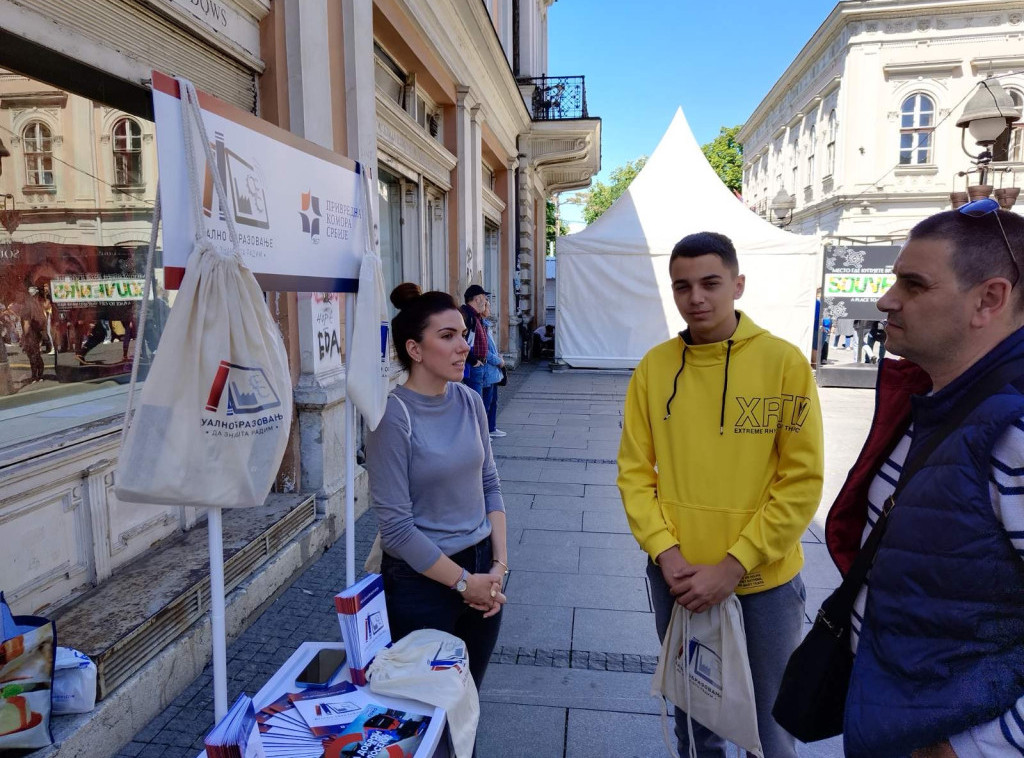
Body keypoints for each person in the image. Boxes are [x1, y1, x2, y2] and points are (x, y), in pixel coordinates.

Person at [826, 202, 1024, 758]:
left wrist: (980, 748)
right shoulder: (935, 396)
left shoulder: (1013, 427)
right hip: (897, 717)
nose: (887, 300)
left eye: (913, 285)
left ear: (989, 299)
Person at [617, 231, 824, 758]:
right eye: (682, 286)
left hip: (764, 581)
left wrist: (736, 563)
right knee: (695, 716)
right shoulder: (654, 368)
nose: (697, 298)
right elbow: (635, 474)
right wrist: (666, 553)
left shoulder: (783, 363)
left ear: (738, 284)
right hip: (679, 577)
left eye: (710, 283)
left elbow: (801, 481)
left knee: (771, 719)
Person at [365, 282, 508, 693]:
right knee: (427, 708)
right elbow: (396, 529)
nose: (463, 345)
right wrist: (464, 583)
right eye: (447, 336)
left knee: (467, 703)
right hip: (423, 582)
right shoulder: (392, 416)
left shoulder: (470, 401)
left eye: (462, 334)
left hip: (484, 568)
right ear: (415, 349)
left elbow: (490, 485)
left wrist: (497, 568)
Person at [479, 298, 506, 438]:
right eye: (488, 306)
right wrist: (498, 361)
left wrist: (498, 357)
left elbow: (491, 348)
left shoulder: (487, 326)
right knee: (486, 402)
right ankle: (484, 432)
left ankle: (491, 427)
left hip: (493, 370)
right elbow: (485, 351)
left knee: (494, 401)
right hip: (487, 369)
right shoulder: (481, 326)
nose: (489, 309)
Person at [459, 284, 490, 396]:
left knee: (479, 401)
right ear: (477, 299)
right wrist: (473, 361)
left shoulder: (475, 316)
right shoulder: (468, 316)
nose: (486, 302)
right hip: (473, 366)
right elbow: (463, 342)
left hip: (478, 364)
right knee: (475, 402)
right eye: (485, 299)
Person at [18, 285, 47, 384]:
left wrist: (24, 337)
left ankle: (35, 376)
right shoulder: (37, 303)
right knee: (36, 354)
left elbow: (26, 323)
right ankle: (40, 375)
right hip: (38, 332)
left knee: (32, 355)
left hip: (30, 333)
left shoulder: (27, 305)